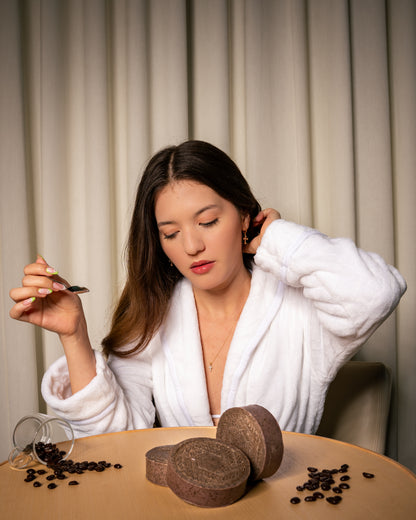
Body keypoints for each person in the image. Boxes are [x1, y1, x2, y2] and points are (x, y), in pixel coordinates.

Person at [9, 140, 406, 437]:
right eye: (171, 232)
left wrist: (274, 238)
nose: (192, 246)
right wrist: (74, 335)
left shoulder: (304, 310)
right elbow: (113, 441)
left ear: (245, 214)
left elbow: (376, 293)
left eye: (209, 221)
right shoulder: (155, 317)